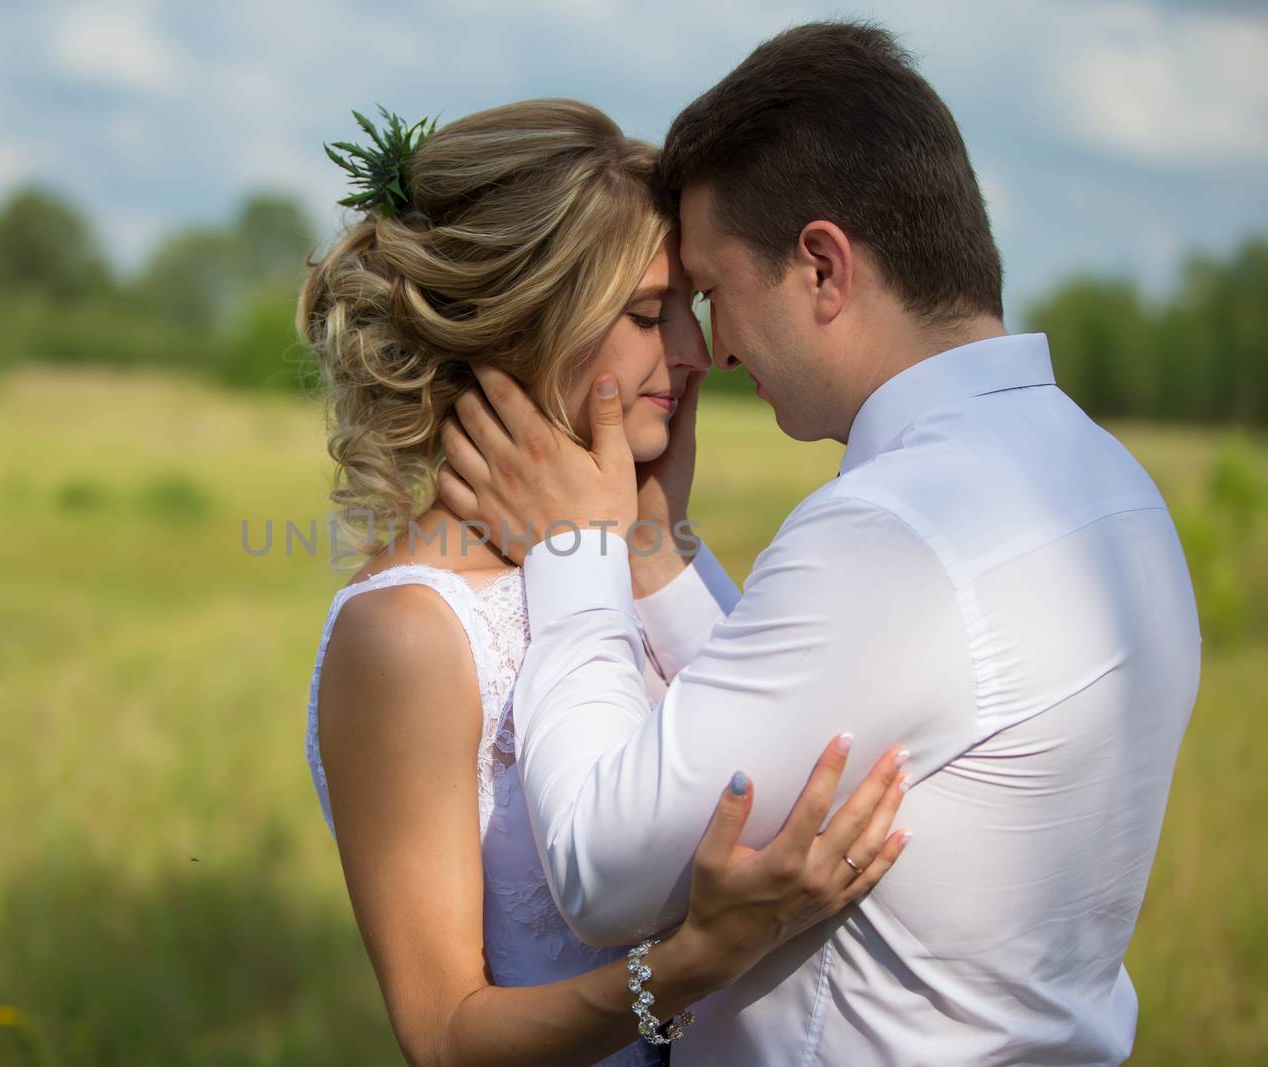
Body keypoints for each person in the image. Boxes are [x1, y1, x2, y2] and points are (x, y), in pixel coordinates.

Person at [439, 22, 1201, 1067]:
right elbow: (795, 725)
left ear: (822, 267)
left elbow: (604, 870)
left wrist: (576, 552)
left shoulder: (902, 528)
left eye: (710, 292)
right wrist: (653, 552)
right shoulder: (1109, 484)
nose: (711, 350)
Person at [298, 98, 913, 1067]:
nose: (697, 352)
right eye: (643, 313)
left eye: (688, 308)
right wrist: (691, 961)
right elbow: (444, 1037)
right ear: (519, 326)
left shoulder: (643, 556)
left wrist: (654, 544)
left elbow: (787, 785)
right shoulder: (411, 632)